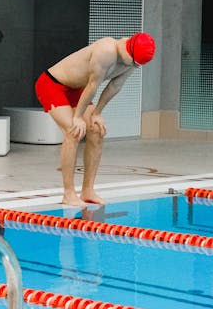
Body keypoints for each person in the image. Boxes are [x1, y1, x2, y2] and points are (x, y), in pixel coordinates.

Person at [35, 33, 155, 206]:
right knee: (73, 131)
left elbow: (115, 85)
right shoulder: (106, 50)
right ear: (129, 50)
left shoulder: (133, 61)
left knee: (97, 131)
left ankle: (87, 190)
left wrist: (97, 113)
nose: (135, 66)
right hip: (52, 84)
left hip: (77, 90)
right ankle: (68, 194)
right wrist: (77, 118)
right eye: (134, 62)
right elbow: (93, 85)